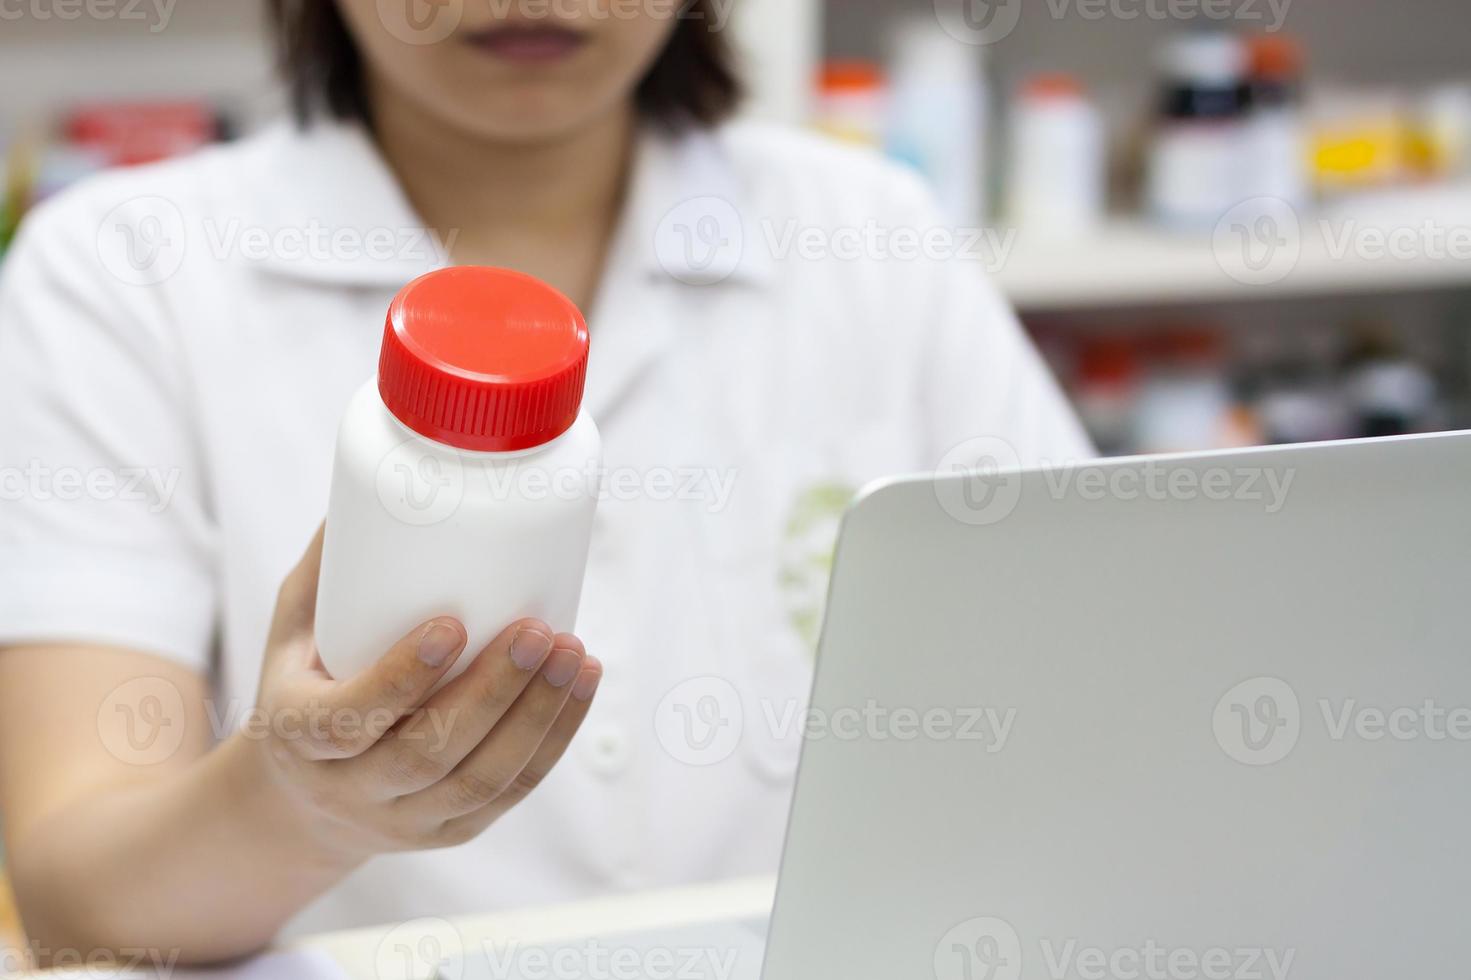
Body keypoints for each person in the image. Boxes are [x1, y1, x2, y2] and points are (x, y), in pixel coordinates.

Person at [0, 0, 1091, 964]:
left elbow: (1097, 681)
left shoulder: (872, 238)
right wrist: (302, 805)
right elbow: (74, 903)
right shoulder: (118, 274)